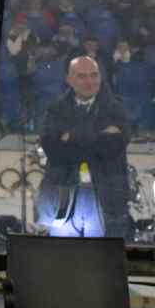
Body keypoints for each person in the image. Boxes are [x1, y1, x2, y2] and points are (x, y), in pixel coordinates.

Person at [36, 56, 132, 239]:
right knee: (64, 254)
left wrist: (72, 136)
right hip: (63, 198)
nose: (90, 81)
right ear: (69, 80)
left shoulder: (116, 109)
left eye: (94, 75)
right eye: (82, 76)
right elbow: (54, 151)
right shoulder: (55, 109)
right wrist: (97, 136)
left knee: (103, 255)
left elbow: (112, 148)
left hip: (107, 198)